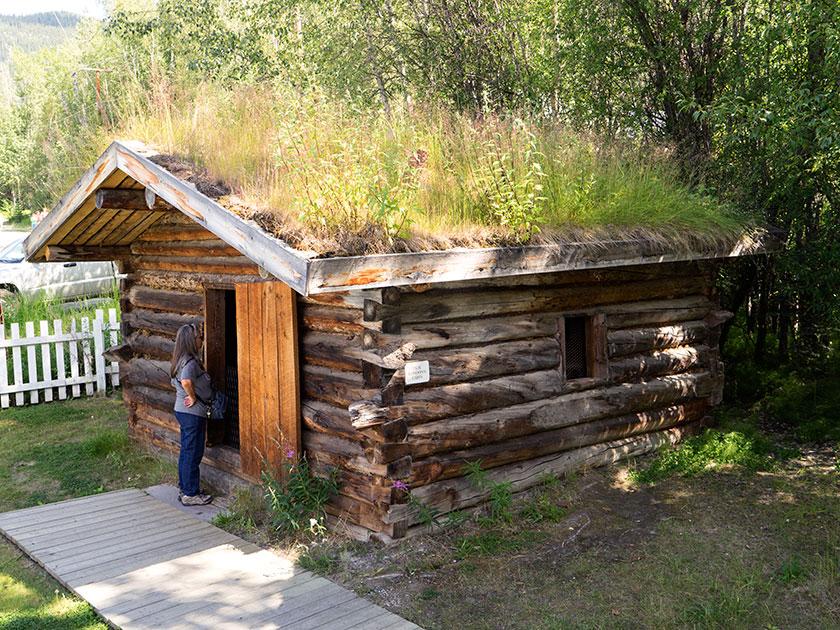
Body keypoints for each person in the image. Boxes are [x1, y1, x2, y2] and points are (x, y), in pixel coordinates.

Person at [170, 323, 213, 506]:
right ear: (190, 340)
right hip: (191, 413)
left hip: (184, 411)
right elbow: (186, 381)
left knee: (187, 451)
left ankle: (185, 488)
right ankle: (190, 494)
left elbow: (175, 382)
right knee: (192, 452)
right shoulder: (189, 361)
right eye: (198, 336)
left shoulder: (179, 360)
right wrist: (192, 397)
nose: (201, 339)